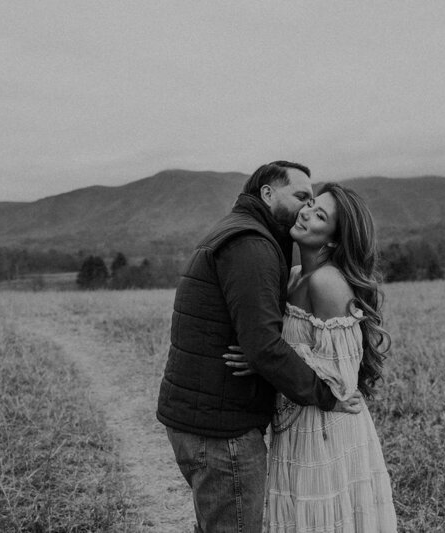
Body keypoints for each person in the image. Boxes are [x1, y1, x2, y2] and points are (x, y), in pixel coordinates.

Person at [156, 162, 363, 533]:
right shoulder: (252, 244)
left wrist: (261, 353)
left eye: (314, 204)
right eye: (301, 197)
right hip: (222, 430)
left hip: (207, 418)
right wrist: (326, 395)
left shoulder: (245, 234)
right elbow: (264, 345)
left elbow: (261, 342)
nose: (305, 208)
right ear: (267, 193)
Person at [226, 182, 398, 532]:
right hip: (296, 421)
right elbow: (284, 349)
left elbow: (340, 379)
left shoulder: (327, 283)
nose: (306, 212)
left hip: (327, 426)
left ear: (333, 240)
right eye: (311, 203)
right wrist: (264, 355)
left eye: (320, 215)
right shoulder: (293, 278)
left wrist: (265, 360)